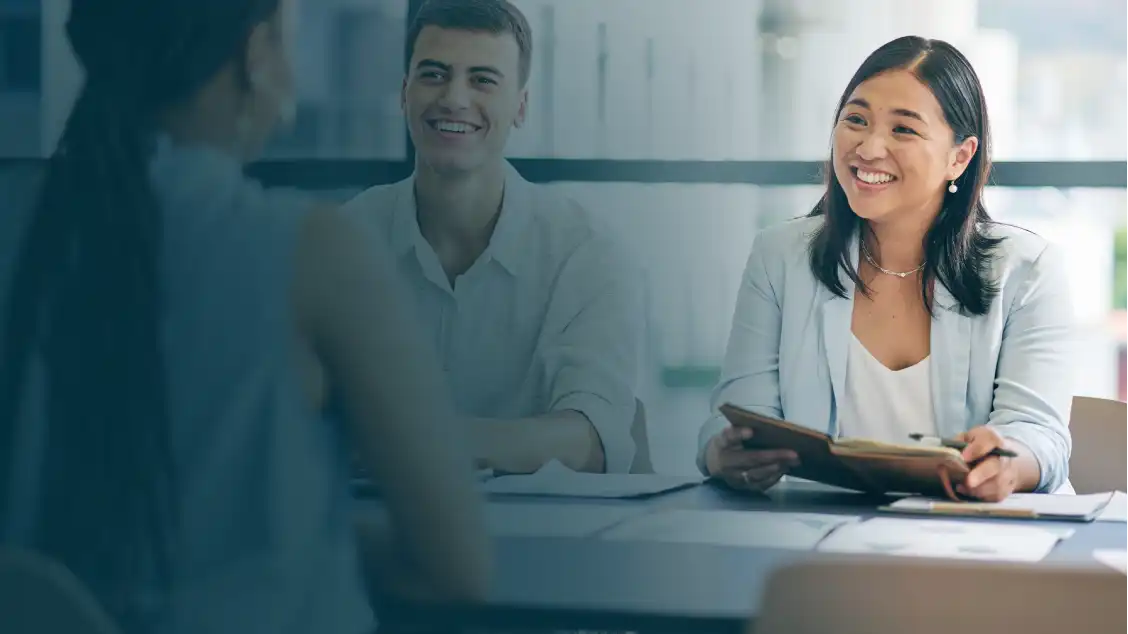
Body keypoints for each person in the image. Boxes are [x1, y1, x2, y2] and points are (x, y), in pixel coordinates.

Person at [0, 1, 490, 633]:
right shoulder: (311, 252)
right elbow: (456, 567)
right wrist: (306, 537)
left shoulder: (17, 219)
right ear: (255, 56)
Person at [697, 36, 1075, 502]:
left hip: (976, 548)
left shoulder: (1027, 271)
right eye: (855, 120)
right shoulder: (779, 256)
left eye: (903, 130)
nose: (869, 147)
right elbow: (733, 416)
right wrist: (722, 453)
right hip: (812, 545)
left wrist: (1010, 463)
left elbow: (1041, 438)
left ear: (960, 157)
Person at [342, 0, 645, 475]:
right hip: (365, 532)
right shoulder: (345, 241)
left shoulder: (586, 252)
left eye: (482, 79)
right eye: (433, 74)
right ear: (404, 93)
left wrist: (413, 438)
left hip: (546, 538)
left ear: (520, 106)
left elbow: (592, 441)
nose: (454, 99)